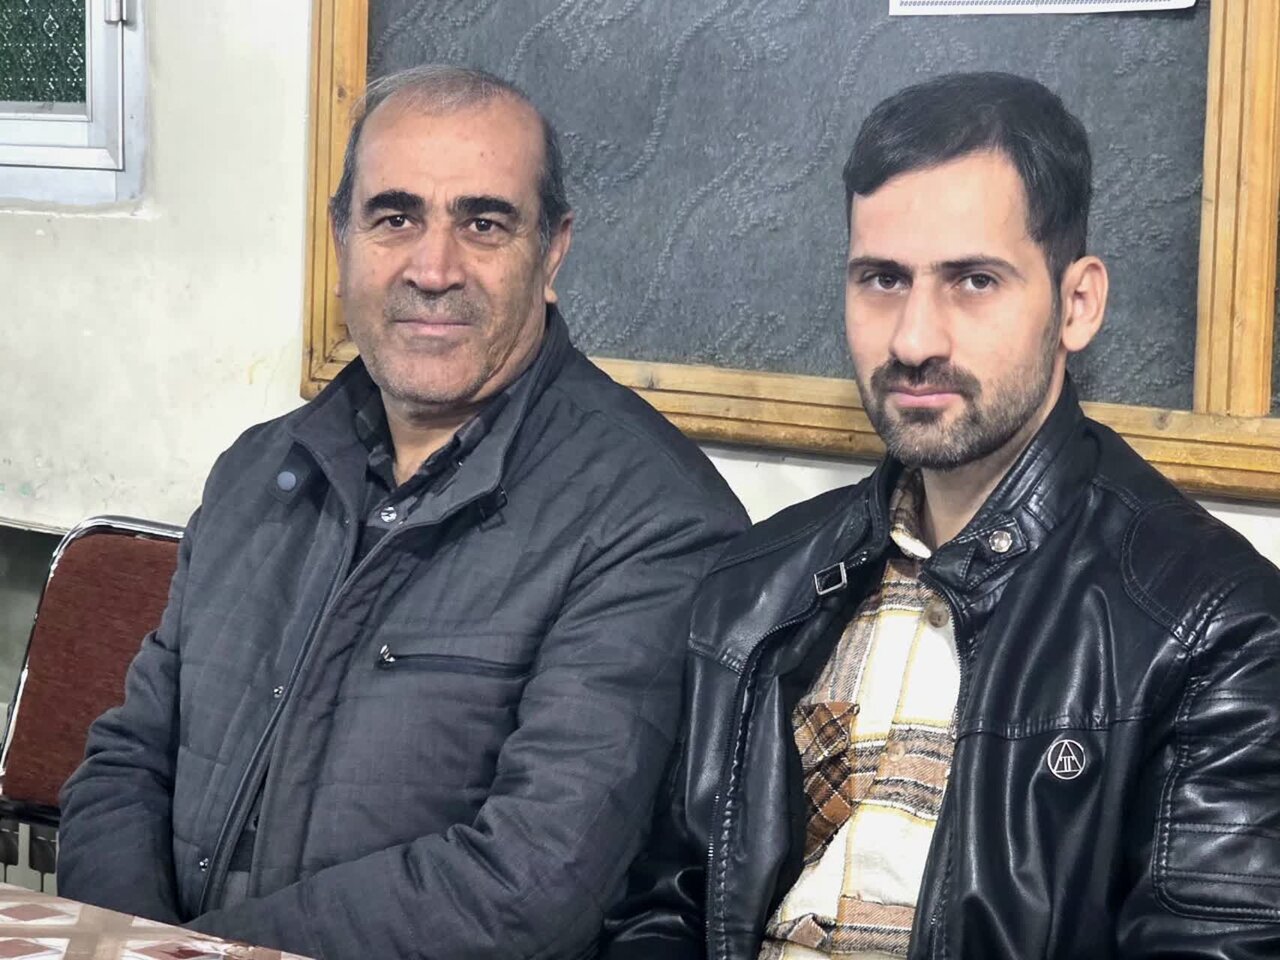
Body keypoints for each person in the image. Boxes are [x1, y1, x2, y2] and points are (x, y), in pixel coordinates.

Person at [57, 64, 747, 960]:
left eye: (484, 223)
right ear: (341, 237)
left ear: (553, 252)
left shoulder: (653, 521)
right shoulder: (257, 472)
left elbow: (529, 887)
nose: (433, 269)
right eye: (395, 218)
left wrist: (187, 957)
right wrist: (131, 944)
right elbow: (126, 761)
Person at [600, 71, 1280, 959]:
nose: (914, 339)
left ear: (1077, 304)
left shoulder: (1214, 627)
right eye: (883, 279)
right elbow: (664, 908)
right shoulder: (754, 587)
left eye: (974, 280)